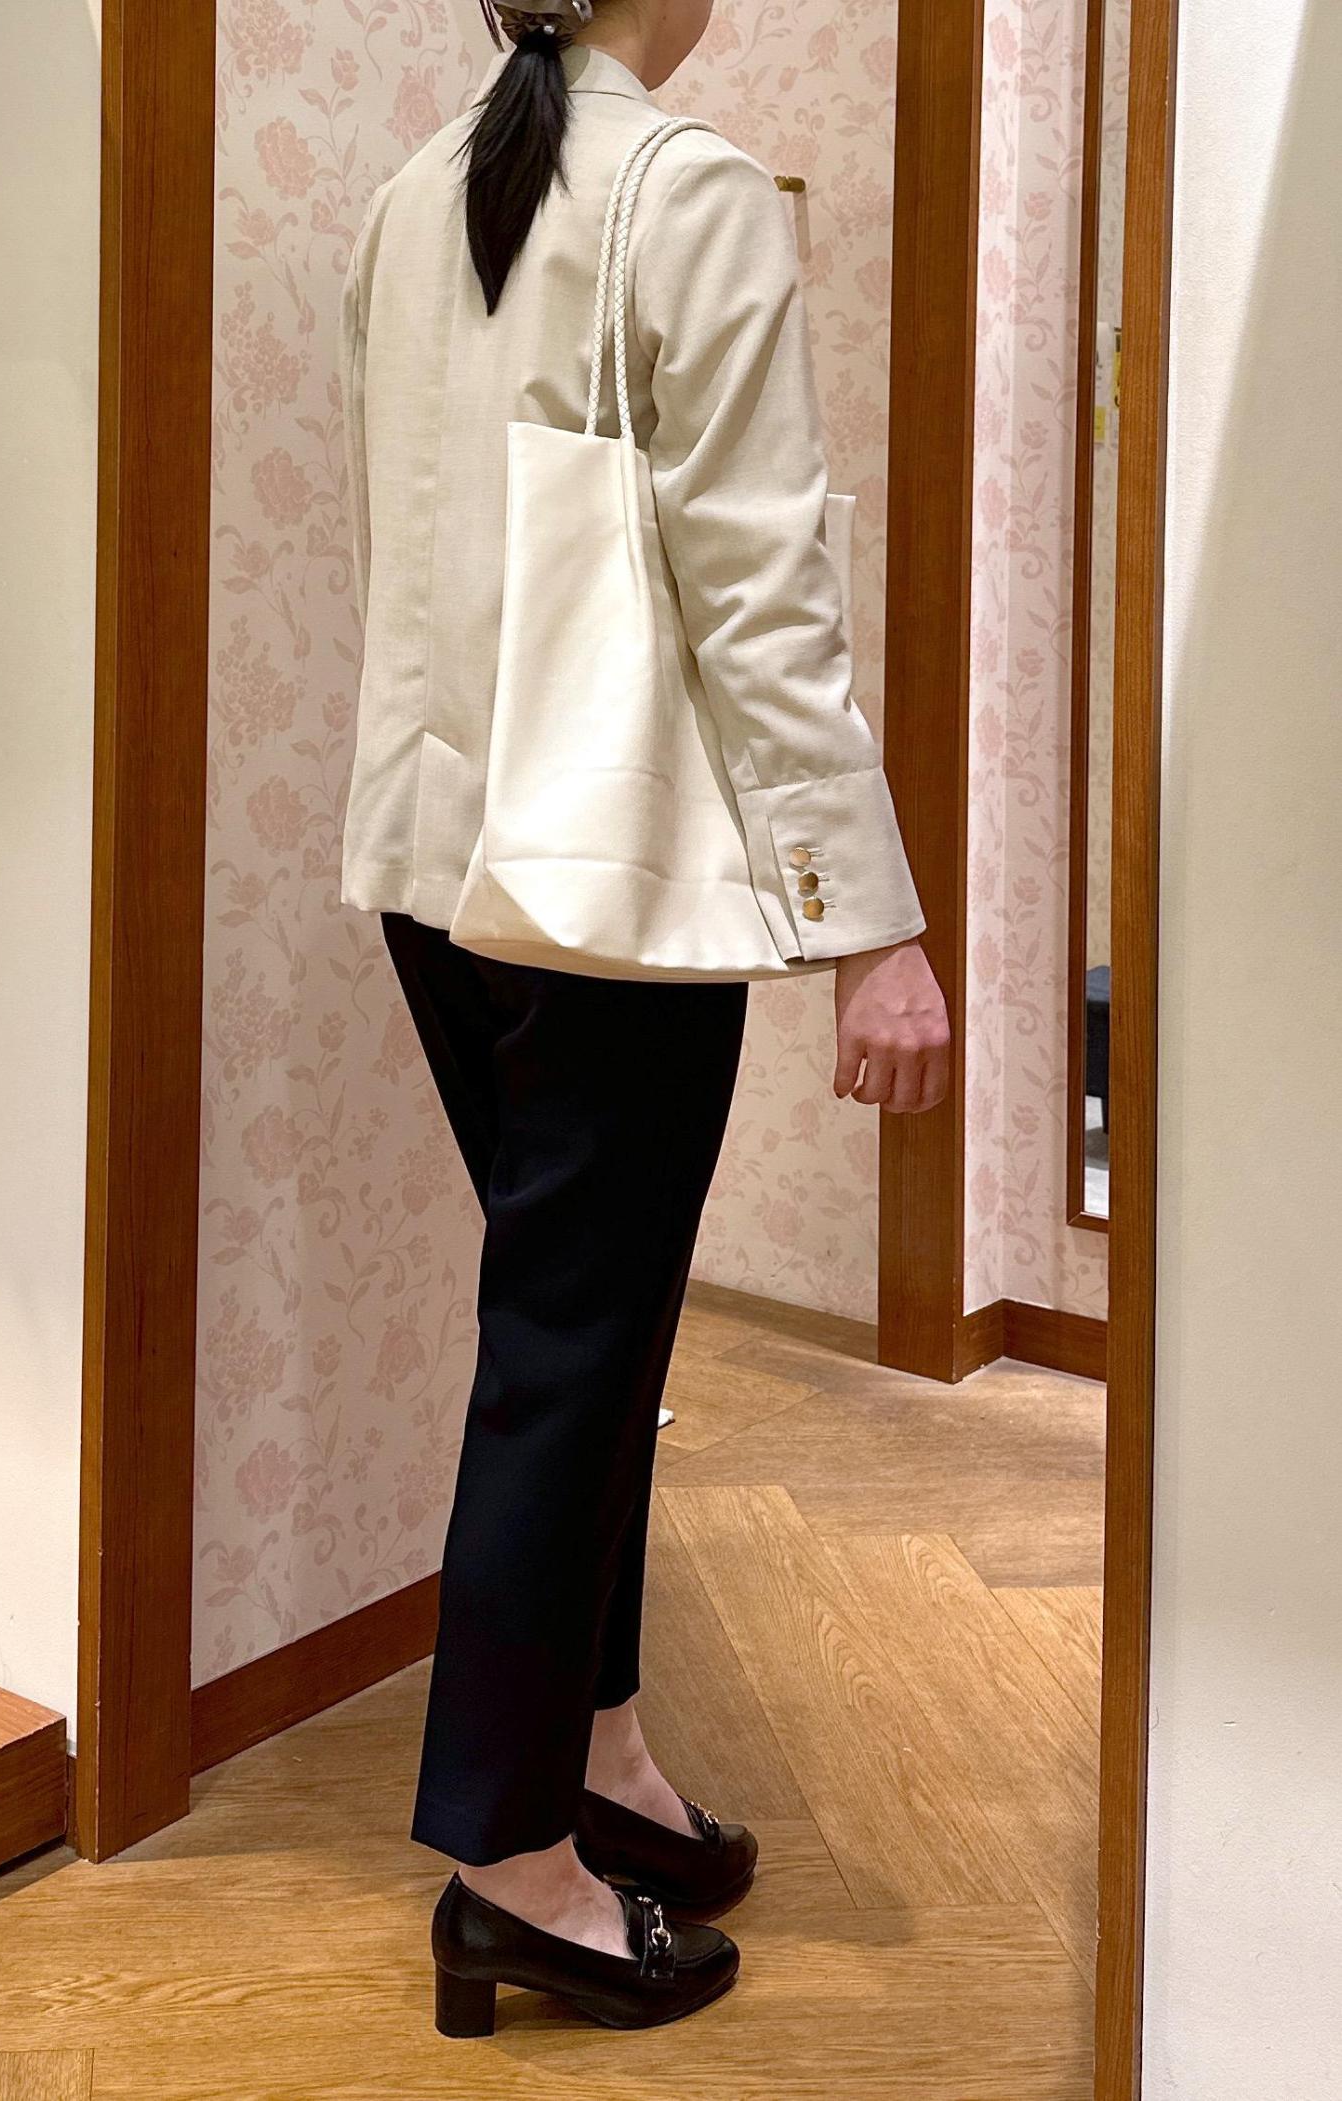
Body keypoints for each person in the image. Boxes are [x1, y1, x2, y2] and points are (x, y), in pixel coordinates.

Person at [338, 0, 950, 2037]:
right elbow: (761, 583)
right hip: (598, 889)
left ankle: (594, 1750)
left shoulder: (410, 195)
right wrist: (869, 923)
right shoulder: (686, 187)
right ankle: (509, 1866)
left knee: (580, 1344)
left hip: (437, 869)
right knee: (572, 1357)